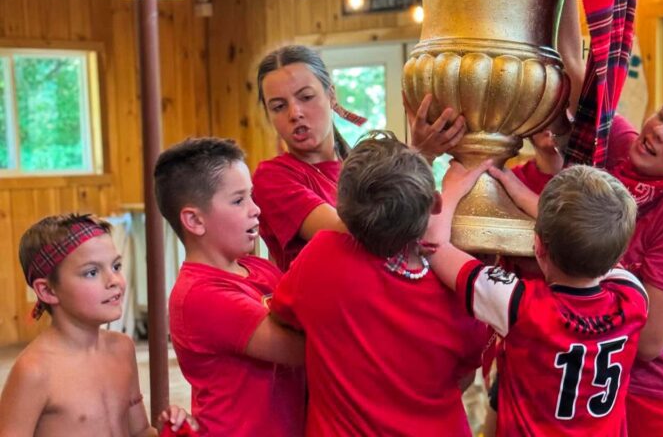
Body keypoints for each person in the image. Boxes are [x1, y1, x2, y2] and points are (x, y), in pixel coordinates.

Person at [492, 81, 663, 435]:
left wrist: (540, 210)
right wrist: (568, 22)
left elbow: (648, 342)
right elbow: (582, 80)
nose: (659, 131)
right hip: (600, 384)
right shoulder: (623, 149)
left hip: (657, 399)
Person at [270, 132, 491, 436]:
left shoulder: (321, 258)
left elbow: (282, 317)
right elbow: (464, 378)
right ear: (436, 203)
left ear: (344, 212)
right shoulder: (459, 293)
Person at [426, 163, 648, 435]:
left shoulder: (519, 305)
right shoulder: (634, 297)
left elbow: (434, 245)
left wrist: (453, 187)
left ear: (537, 246)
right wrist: (525, 198)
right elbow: (603, 249)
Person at [252, 45, 464, 271]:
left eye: (306, 97)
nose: (295, 113)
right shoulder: (272, 177)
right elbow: (353, 234)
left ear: (331, 95)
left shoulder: (364, 164)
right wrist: (422, 155)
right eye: (278, 106)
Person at [154, 137, 306, 437]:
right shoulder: (200, 295)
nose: (256, 210)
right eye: (239, 201)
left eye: (251, 196)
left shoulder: (257, 267)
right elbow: (298, 350)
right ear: (195, 220)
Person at [0, 213, 195, 436]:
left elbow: (139, 430)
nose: (114, 280)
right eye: (91, 272)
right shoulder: (35, 371)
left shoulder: (122, 348)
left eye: (116, 266)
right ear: (47, 290)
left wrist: (173, 431)